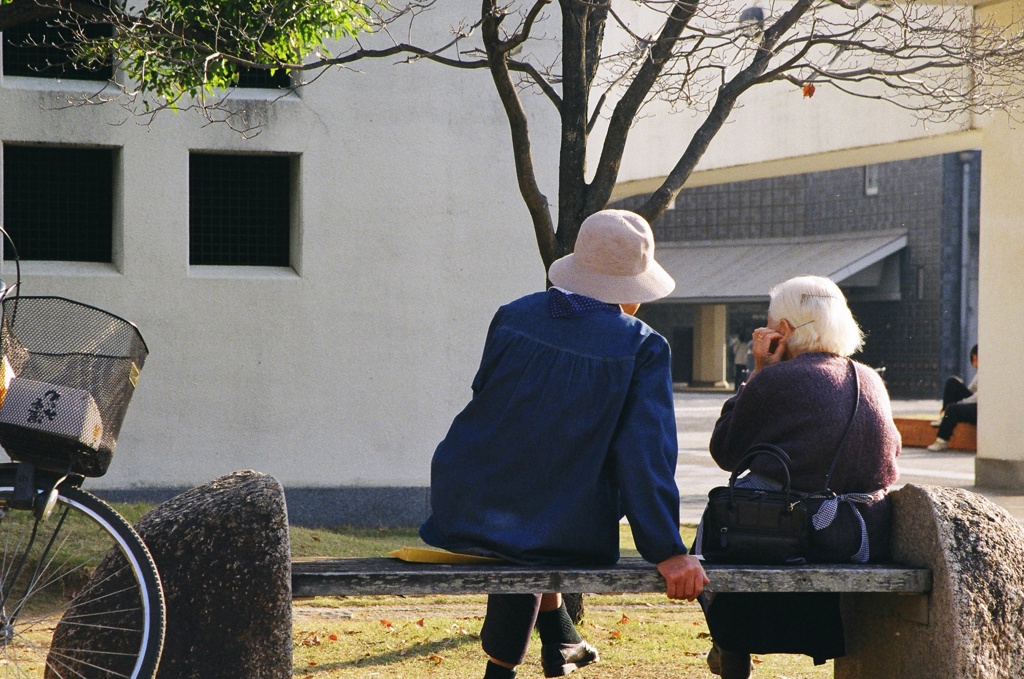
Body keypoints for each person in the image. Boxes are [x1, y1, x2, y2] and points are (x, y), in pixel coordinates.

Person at [419, 209, 709, 679]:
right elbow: (644, 457)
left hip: (465, 501)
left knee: (533, 512)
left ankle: (559, 639)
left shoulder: (512, 315)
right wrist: (667, 549)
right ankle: (503, 671)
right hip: (555, 523)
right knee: (541, 524)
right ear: (631, 292)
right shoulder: (641, 346)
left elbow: (490, 405)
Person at [699, 275, 901, 679]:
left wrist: (757, 371)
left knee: (721, 516)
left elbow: (724, 450)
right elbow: (890, 458)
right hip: (860, 538)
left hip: (795, 533)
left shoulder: (776, 380)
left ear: (784, 331)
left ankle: (731, 648)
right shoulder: (871, 380)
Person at [927, 344, 978, 452]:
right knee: (952, 382)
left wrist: (960, 403)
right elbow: (971, 390)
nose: (974, 364)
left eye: (976, 360)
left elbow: (980, 397)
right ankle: (945, 416)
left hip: (982, 407)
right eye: (972, 360)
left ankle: (941, 441)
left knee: (954, 408)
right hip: (975, 403)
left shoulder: (991, 374)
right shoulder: (980, 373)